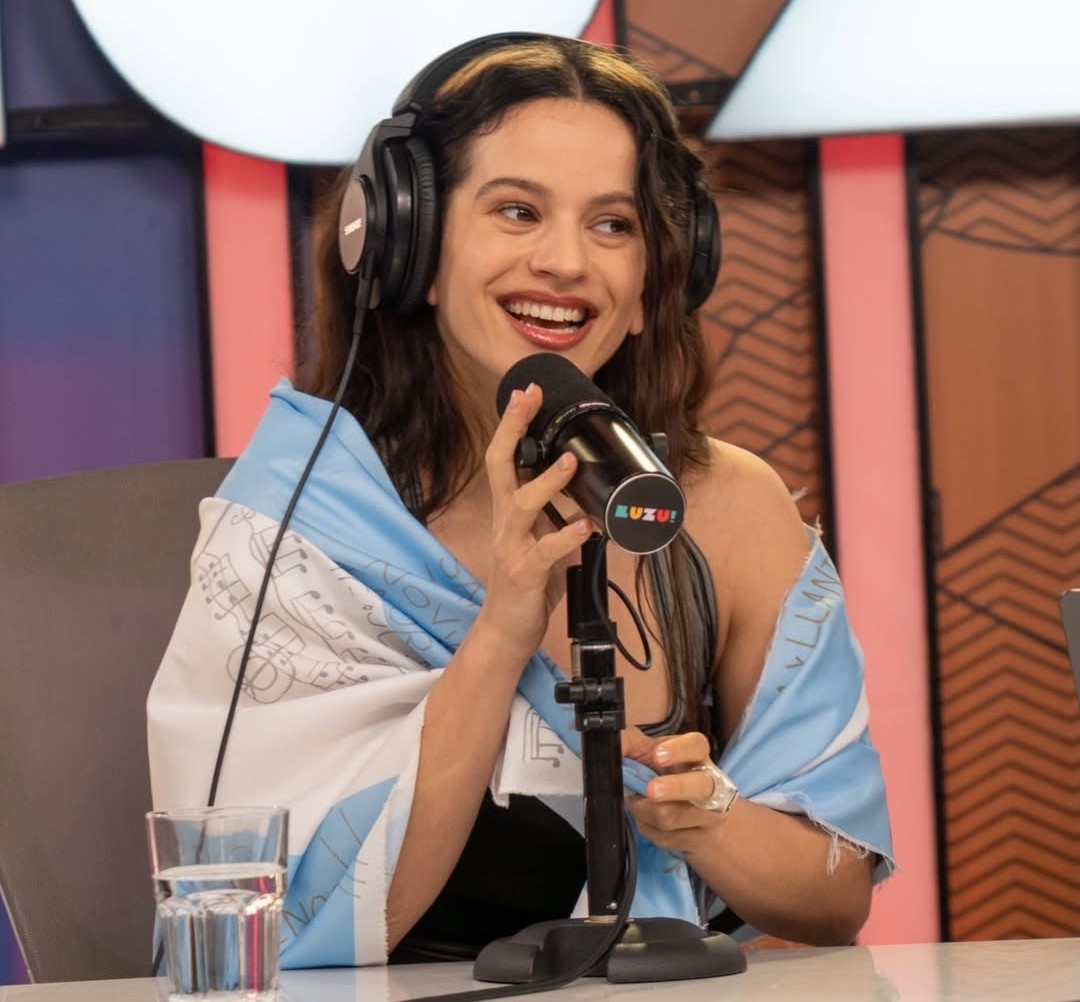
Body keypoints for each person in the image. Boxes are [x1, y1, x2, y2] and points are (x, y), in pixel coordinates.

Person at [148, 33, 894, 969]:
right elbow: (303, 932)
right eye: (517, 211)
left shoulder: (726, 509)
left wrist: (708, 818)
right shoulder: (301, 531)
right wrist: (504, 627)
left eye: (613, 225)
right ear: (407, 244)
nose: (566, 262)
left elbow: (834, 901)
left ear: (656, 279)